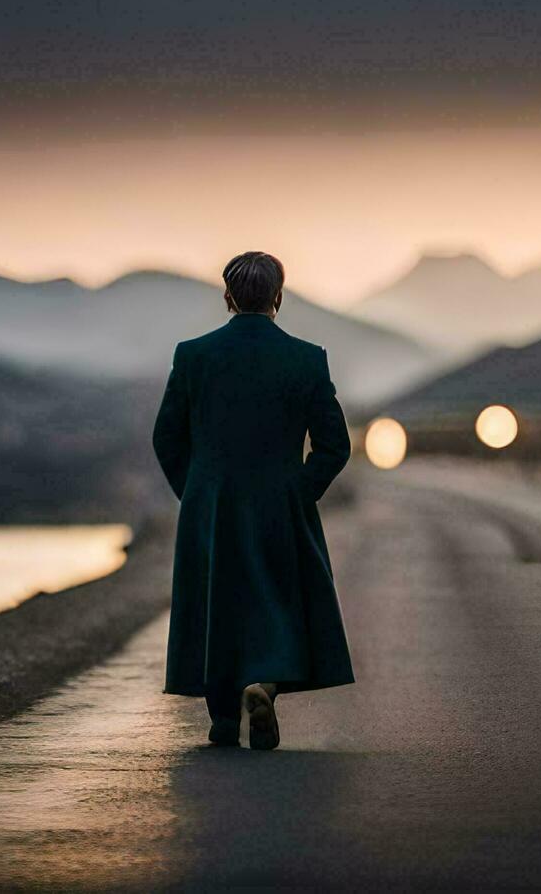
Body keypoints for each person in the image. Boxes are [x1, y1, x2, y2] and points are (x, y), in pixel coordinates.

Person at [151, 252, 354, 750]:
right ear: (279, 298)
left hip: (211, 506)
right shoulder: (307, 358)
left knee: (217, 604)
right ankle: (264, 685)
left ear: (228, 298)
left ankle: (222, 720)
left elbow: (166, 437)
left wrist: (195, 493)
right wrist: (298, 494)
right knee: (276, 602)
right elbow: (335, 446)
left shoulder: (192, 356)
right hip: (280, 504)